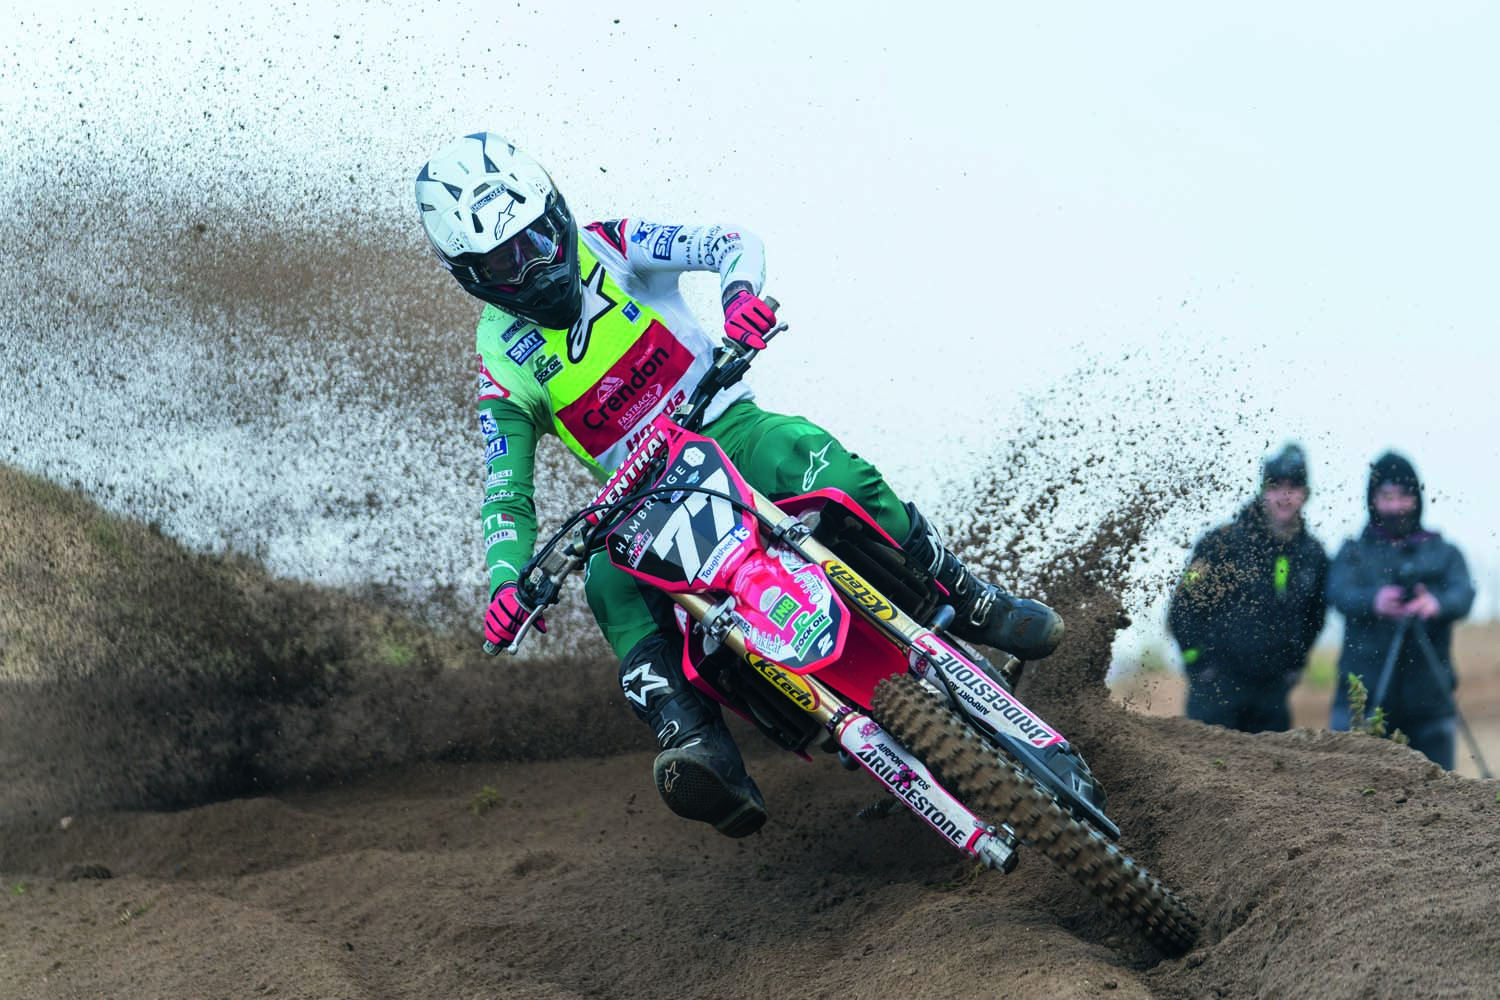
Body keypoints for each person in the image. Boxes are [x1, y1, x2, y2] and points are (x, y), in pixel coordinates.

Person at [414, 132, 1064, 838]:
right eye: (505, 260)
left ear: (558, 213)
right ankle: (699, 749)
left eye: (539, 237)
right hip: (641, 501)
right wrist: (507, 581)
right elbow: (506, 491)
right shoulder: (498, 363)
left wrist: (739, 299)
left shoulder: (614, 244)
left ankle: (968, 596)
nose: (535, 263)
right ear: (472, 276)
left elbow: (730, 243)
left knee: (809, 455)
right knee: (605, 583)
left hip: (727, 428)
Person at [1167, 444, 1329, 733]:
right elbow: (1183, 604)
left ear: (1305, 493)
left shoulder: (1313, 555)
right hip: (1215, 692)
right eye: (1276, 486)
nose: (1285, 496)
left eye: (1293, 487)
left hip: (1272, 697)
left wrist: (1295, 665)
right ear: (1263, 490)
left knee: (1272, 763)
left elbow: (1315, 616)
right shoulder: (1218, 544)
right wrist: (1198, 663)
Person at [1327, 451, 1474, 769]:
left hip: (1429, 703)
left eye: (1404, 496)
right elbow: (1337, 592)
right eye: (1387, 496)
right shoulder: (1353, 552)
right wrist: (1375, 601)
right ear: (1373, 500)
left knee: (1438, 788)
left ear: (1417, 499)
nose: (1396, 507)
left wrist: (1435, 603)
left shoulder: (1444, 552)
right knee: (1353, 786)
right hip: (1363, 699)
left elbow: (1464, 594)